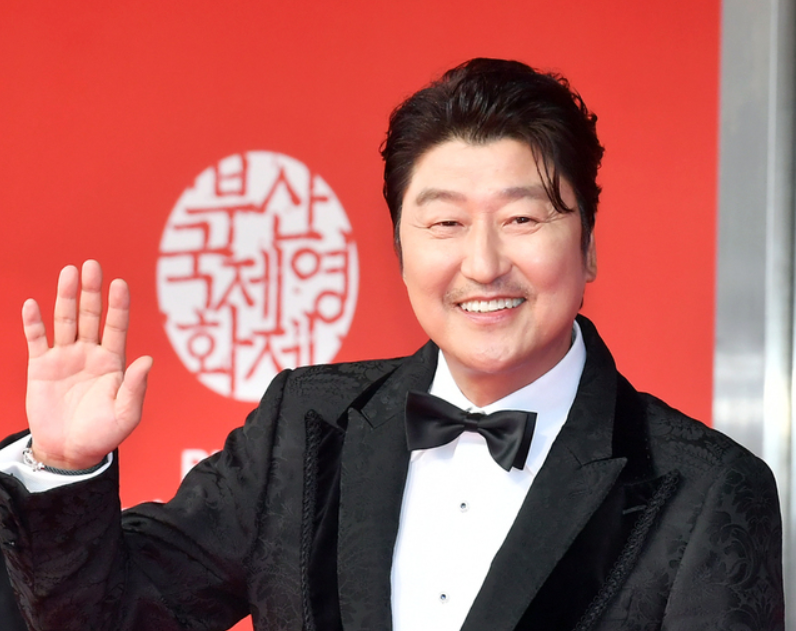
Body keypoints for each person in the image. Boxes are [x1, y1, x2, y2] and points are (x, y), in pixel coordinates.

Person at [0, 58, 784, 631]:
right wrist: (63, 466)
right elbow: (117, 612)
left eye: (522, 219)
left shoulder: (704, 488)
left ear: (588, 246)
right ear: (402, 249)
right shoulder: (302, 425)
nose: (483, 263)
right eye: (445, 222)